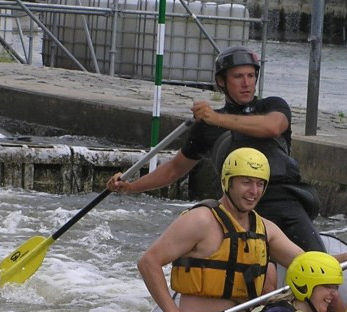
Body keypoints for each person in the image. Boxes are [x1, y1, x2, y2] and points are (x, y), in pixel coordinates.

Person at [138, 148, 347, 312]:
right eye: (246, 182)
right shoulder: (201, 220)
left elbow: (309, 263)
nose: (254, 191)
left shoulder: (264, 228)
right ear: (227, 182)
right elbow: (149, 262)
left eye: (260, 184)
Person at [107, 45, 324, 252]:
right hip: (241, 208)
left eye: (251, 76)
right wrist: (131, 186)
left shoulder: (272, 106)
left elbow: (273, 127)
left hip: (285, 200)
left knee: (322, 264)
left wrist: (217, 118)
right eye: (238, 77)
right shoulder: (206, 127)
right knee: (266, 274)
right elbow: (174, 169)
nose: (246, 83)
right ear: (222, 81)